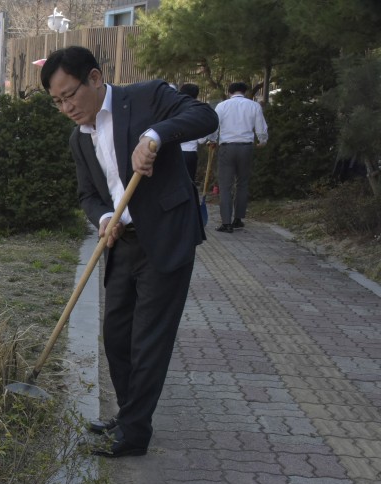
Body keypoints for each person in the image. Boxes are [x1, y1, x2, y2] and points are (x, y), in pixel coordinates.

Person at [39, 46, 217, 458]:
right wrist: (104, 218)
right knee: (116, 335)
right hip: (122, 243)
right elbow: (88, 195)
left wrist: (154, 136)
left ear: (96, 78)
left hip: (166, 237)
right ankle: (127, 413)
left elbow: (205, 116)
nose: (66, 107)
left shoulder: (147, 97)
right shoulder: (78, 139)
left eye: (70, 95)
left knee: (148, 339)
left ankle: (135, 434)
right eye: (58, 101)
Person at [206, 82, 269, 232]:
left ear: (229, 92)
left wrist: (212, 140)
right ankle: (238, 219)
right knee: (242, 183)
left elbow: (215, 125)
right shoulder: (253, 106)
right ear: (245, 92)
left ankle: (226, 222)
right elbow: (260, 126)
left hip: (227, 147)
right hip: (245, 147)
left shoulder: (222, 106)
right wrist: (262, 140)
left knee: (225, 186)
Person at [178, 83, 202, 183]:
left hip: (173, 152)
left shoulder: (172, 108)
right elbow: (202, 139)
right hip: (190, 152)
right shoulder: (199, 111)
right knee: (189, 183)